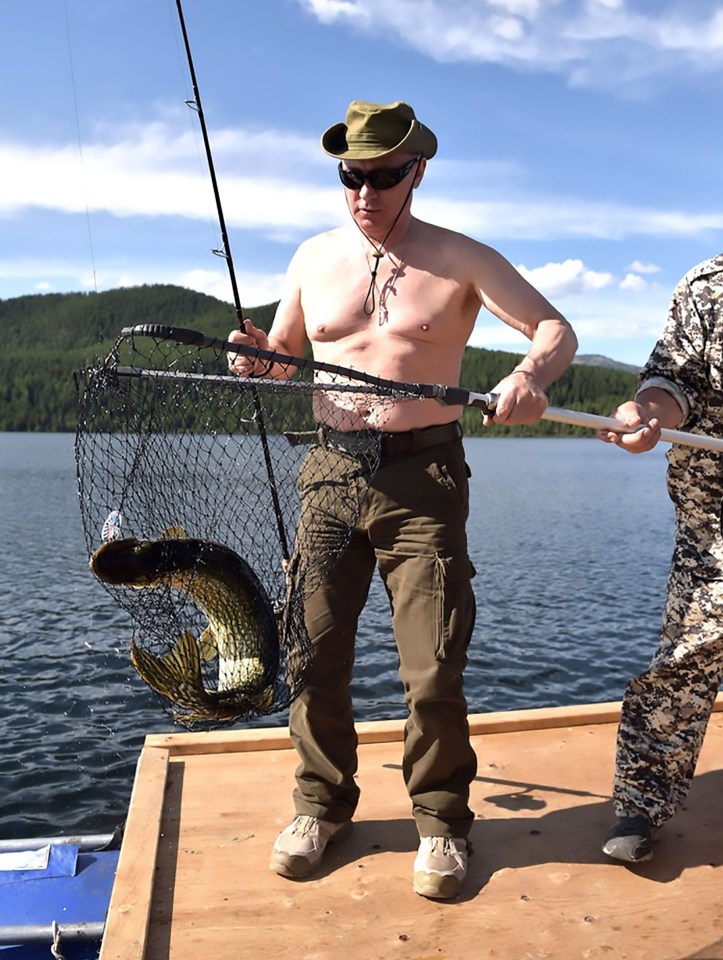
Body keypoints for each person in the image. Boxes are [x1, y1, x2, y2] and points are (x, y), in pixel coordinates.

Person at [227, 100, 577, 899]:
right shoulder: (313, 258)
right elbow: (285, 359)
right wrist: (259, 360)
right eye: (352, 175)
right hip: (329, 475)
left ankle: (443, 824)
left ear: (418, 171)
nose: (366, 192)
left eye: (384, 176)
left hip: (425, 482)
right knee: (310, 654)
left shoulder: (461, 258)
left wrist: (528, 376)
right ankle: (321, 805)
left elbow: (555, 329)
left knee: (431, 668)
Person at [598, 130, 723, 867]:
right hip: (715, 515)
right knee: (683, 662)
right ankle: (641, 805)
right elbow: (671, 378)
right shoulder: (708, 284)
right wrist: (650, 412)